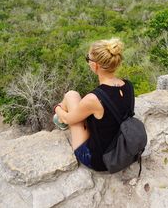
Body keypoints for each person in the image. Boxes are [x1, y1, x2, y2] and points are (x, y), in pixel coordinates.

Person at [53, 38, 134, 171]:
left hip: (99, 159)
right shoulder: (128, 86)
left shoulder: (94, 99)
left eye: (88, 59)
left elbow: (68, 118)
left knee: (71, 95)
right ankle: (59, 119)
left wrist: (57, 108)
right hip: (121, 147)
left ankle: (58, 121)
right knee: (77, 101)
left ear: (95, 65)